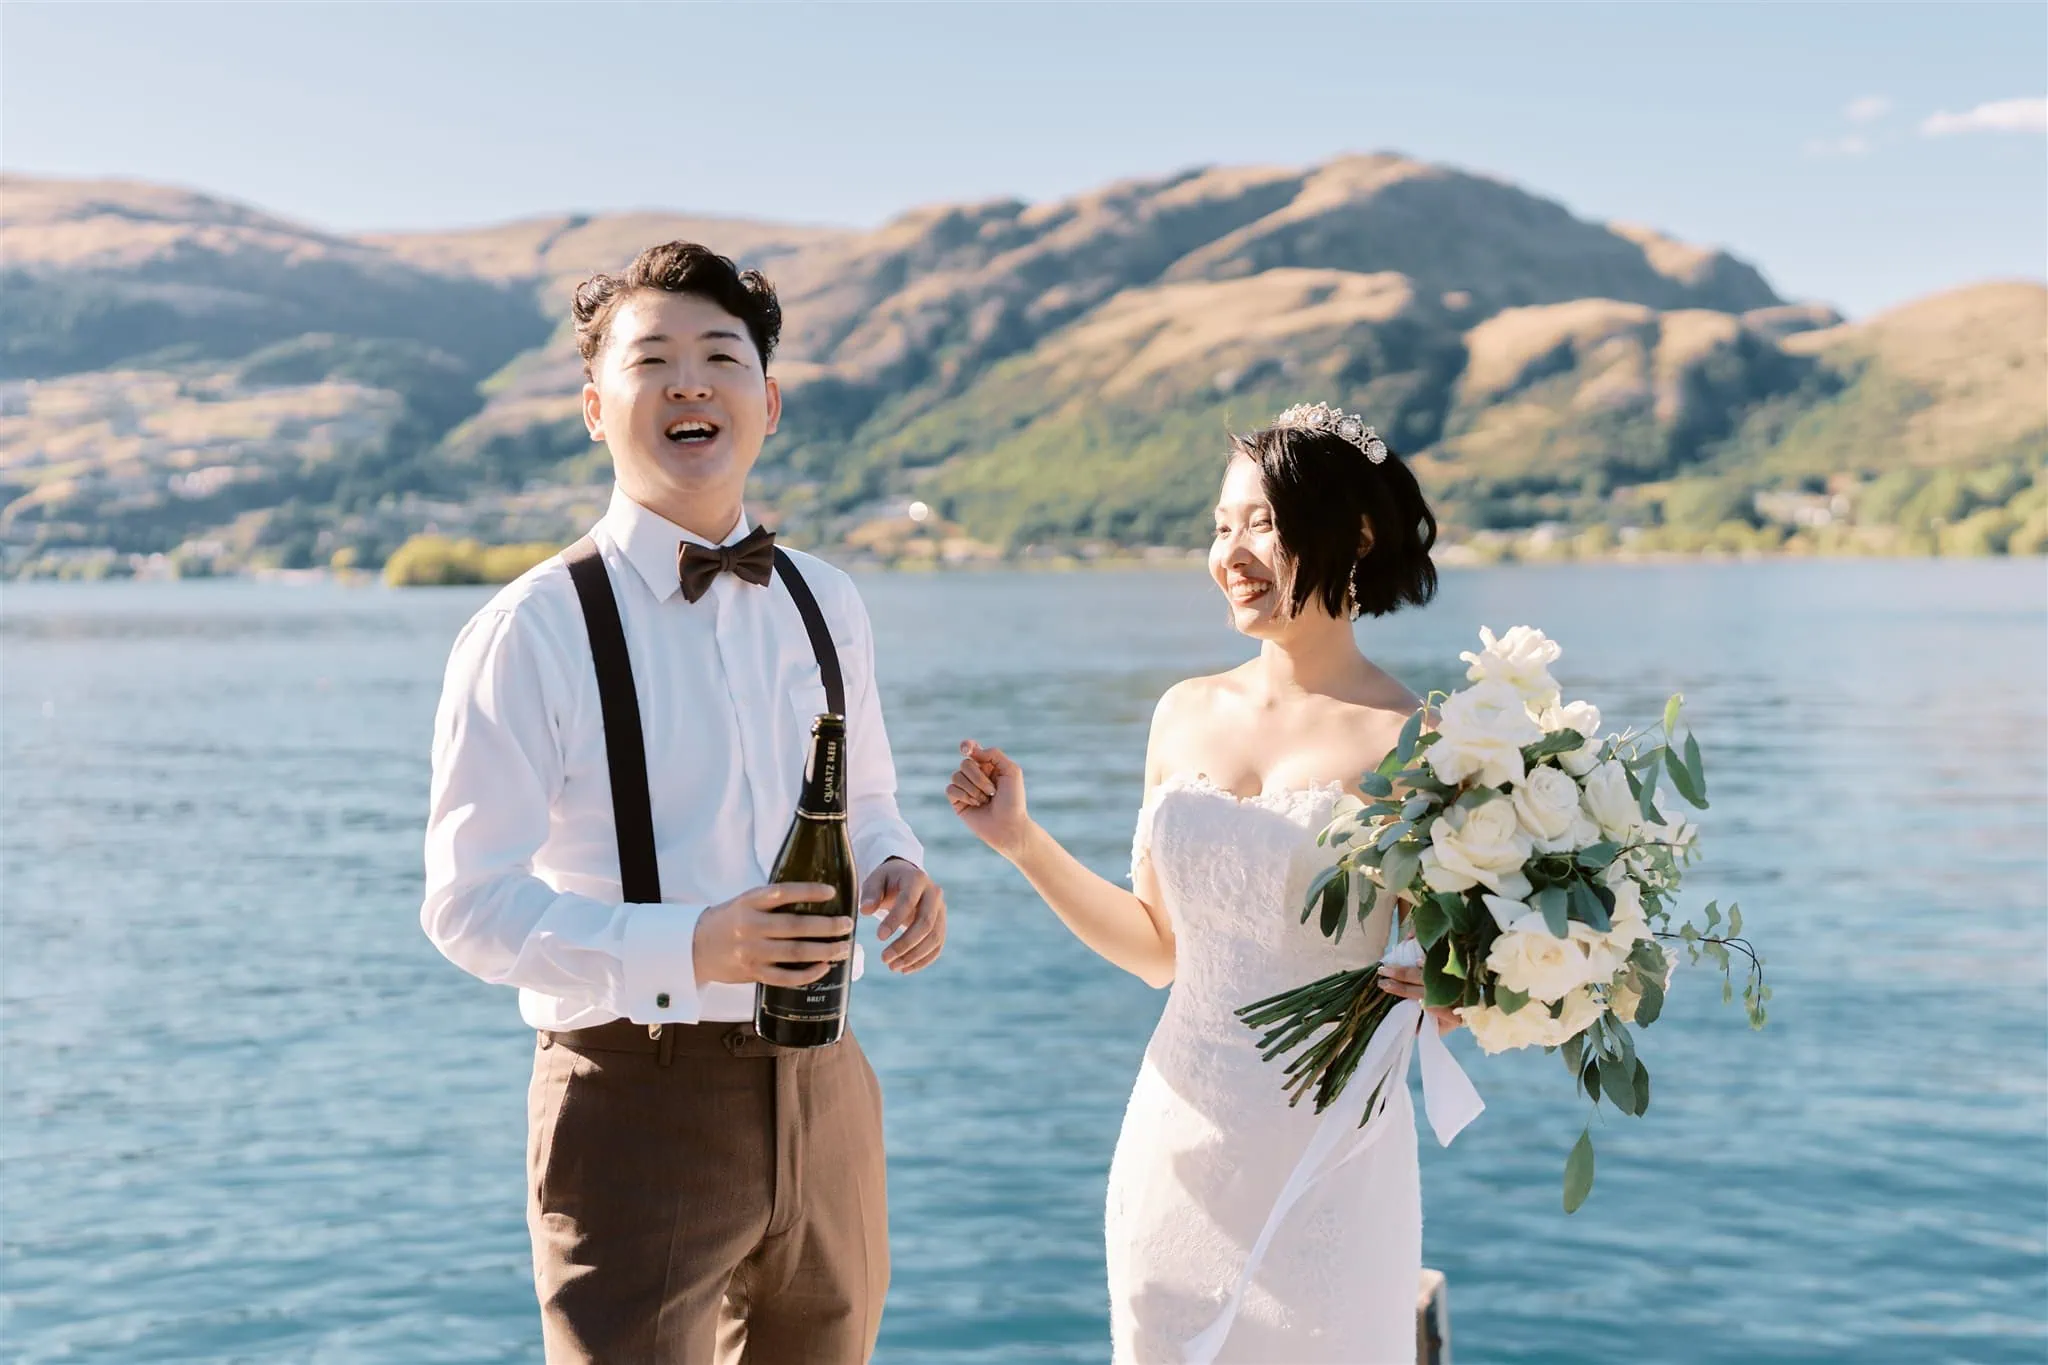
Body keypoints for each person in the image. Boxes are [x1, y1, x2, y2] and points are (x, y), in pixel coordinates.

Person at [421, 242, 946, 1364]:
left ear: (769, 399)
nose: (689, 381)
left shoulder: (828, 600)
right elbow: (467, 909)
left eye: (719, 355)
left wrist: (897, 866)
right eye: (650, 359)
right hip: (632, 1091)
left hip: (828, 1083)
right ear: (593, 408)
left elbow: (873, 802)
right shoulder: (532, 629)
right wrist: (691, 943)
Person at [947, 403, 1463, 1364]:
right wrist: (1021, 841)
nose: (1232, 550)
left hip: (1333, 1157)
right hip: (1178, 1140)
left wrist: (1455, 984)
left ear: (1352, 534)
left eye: (1262, 523)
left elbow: (1466, 965)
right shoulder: (1182, 714)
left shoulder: (1421, 740)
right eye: (1222, 524)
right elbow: (1155, 950)